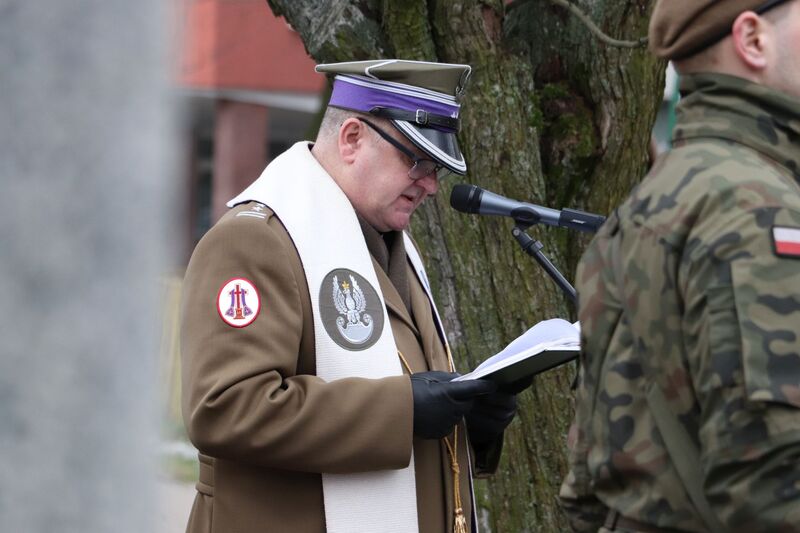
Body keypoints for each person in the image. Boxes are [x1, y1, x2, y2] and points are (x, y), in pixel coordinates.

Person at [180, 59, 523, 533]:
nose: (430, 185)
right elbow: (224, 407)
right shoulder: (256, 239)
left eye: (436, 169)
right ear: (352, 138)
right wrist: (404, 412)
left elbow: (408, 402)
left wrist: (469, 423)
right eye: (417, 161)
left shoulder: (392, 245)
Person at [559, 1, 800, 532]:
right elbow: (776, 485)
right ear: (752, 40)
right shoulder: (758, 208)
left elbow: (585, 485)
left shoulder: (653, 199)